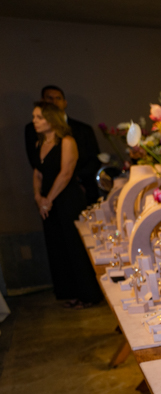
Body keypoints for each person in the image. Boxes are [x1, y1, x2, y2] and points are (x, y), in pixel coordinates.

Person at [29, 101, 102, 308]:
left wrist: (48, 200)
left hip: (67, 199)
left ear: (52, 119)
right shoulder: (39, 144)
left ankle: (88, 294)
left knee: (74, 246)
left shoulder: (67, 141)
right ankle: (70, 293)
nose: (34, 121)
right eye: (34, 117)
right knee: (57, 247)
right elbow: (37, 173)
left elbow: (66, 173)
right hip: (47, 203)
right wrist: (38, 197)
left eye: (39, 117)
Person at [25, 86, 101, 204]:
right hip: (47, 193)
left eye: (58, 98)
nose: (54, 102)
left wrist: (76, 180)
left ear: (65, 103)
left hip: (75, 192)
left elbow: (93, 160)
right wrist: (38, 196)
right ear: (43, 101)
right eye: (49, 98)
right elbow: (37, 168)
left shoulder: (80, 131)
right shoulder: (35, 136)